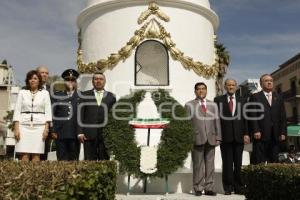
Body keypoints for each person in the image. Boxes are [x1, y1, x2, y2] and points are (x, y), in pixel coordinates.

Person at [185, 82, 222, 196]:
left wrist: (218, 137)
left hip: (211, 138)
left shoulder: (213, 105)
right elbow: (186, 123)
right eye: (198, 89)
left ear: (206, 91)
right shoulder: (189, 105)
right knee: (198, 165)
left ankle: (209, 188)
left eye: (203, 89)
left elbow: (217, 121)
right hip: (196, 138)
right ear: (195, 91)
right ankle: (198, 188)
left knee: (210, 165)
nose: (201, 91)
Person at [214, 79, 250, 195]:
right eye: (228, 85)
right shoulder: (218, 100)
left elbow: (246, 119)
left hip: (239, 136)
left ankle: (239, 186)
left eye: (233, 85)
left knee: (238, 163)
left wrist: (246, 133)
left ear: (236, 87)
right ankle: (228, 187)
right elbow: (217, 119)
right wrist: (218, 135)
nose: (231, 87)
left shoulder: (243, 100)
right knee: (227, 164)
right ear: (225, 86)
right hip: (225, 137)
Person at [13, 70, 52, 161]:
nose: (33, 80)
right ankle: (23, 175)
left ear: (39, 81)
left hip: (39, 127)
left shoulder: (45, 93)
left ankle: (35, 175)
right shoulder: (22, 92)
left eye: (35, 78)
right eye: (30, 79)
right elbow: (17, 110)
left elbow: (48, 112)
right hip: (23, 126)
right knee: (24, 155)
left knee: (36, 155)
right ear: (27, 81)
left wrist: (46, 129)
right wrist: (16, 128)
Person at [249, 74, 287, 164]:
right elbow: (252, 115)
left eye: (271, 80)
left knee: (274, 161)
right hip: (261, 135)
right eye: (266, 81)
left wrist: (283, 132)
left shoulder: (279, 97)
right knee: (259, 161)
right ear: (261, 84)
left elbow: (283, 117)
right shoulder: (255, 97)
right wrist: (256, 130)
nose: (269, 82)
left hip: (275, 135)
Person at [78, 73, 116, 160]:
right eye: (96, 79)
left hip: (105, 135)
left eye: (101, 79)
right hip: (88, 134)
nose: (98, 81)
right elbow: (80, 115)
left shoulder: (111, 97)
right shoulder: (84, 95)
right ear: (92, 81)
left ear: (105, 82)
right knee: (90, 161)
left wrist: (113, 134)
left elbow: (113, 117)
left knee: (105, 160)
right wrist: (80, 132)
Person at [51, 69, 80, 160]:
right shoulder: (56, 95)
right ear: (64, 82)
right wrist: (53, 130)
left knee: (74, 160)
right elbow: (52, 114)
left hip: (75, 133)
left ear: (75, 82)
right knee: (61, 160)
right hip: (60, 133)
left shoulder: (81, 96)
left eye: (72, 80)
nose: (70, 82)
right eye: (68, 80)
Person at [36, 66, 52, 160]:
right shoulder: (26, 88)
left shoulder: (52, 89)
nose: (45, 75)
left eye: (46, 73)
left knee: (43, 153)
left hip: (47, 127)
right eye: (42, 72)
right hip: (31, 125)